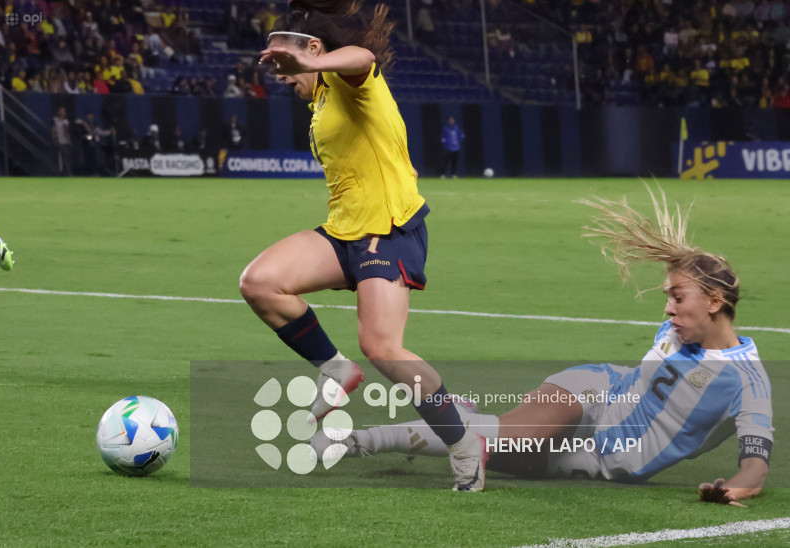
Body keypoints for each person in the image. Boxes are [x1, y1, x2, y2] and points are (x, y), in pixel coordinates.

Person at [312, 188, 773, 504]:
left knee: (491, 443)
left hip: (604, 459)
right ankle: (356, 441)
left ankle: (458, 412)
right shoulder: (682, 326)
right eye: (667, 297)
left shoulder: (746, 383)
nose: (668, 310)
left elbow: (755, 466)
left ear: (715, 303)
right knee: (505, 437)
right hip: (593, 391)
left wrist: (734, 488)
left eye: (677, 298)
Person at [240, 0, 486, 491]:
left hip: (389, 229)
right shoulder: (319, 101)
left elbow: (362, 59)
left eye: (288, 64)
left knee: (383, 347)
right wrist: (304, 65)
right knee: (260, 283)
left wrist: (311, 62)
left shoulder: (349, 83)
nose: (284, 77)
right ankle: (335, 369)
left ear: (312, 49)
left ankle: (463, 445)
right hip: (345, 230)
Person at [52, 107, 73, 176]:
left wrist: (69, 140)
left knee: (66, 158)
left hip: (65, 142)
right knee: (59, 158)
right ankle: (59, 172)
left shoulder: (66, 121)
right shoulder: (56, 120)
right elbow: (53, 130)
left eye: (63, 111)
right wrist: (55, 139)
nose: (62, 113)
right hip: (58, 141)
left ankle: (67, 172)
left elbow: (67, 132)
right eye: (61, 111)